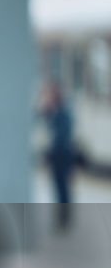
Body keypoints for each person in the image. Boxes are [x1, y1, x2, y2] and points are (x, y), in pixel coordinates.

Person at [40, 81, 75, 229]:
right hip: (57, 155)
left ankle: (64, 219)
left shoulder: (64, 112)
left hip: (63, 155)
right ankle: (62, 218)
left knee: (62, 188)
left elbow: (61, 135)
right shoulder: (55, 111)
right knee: (59, 187)